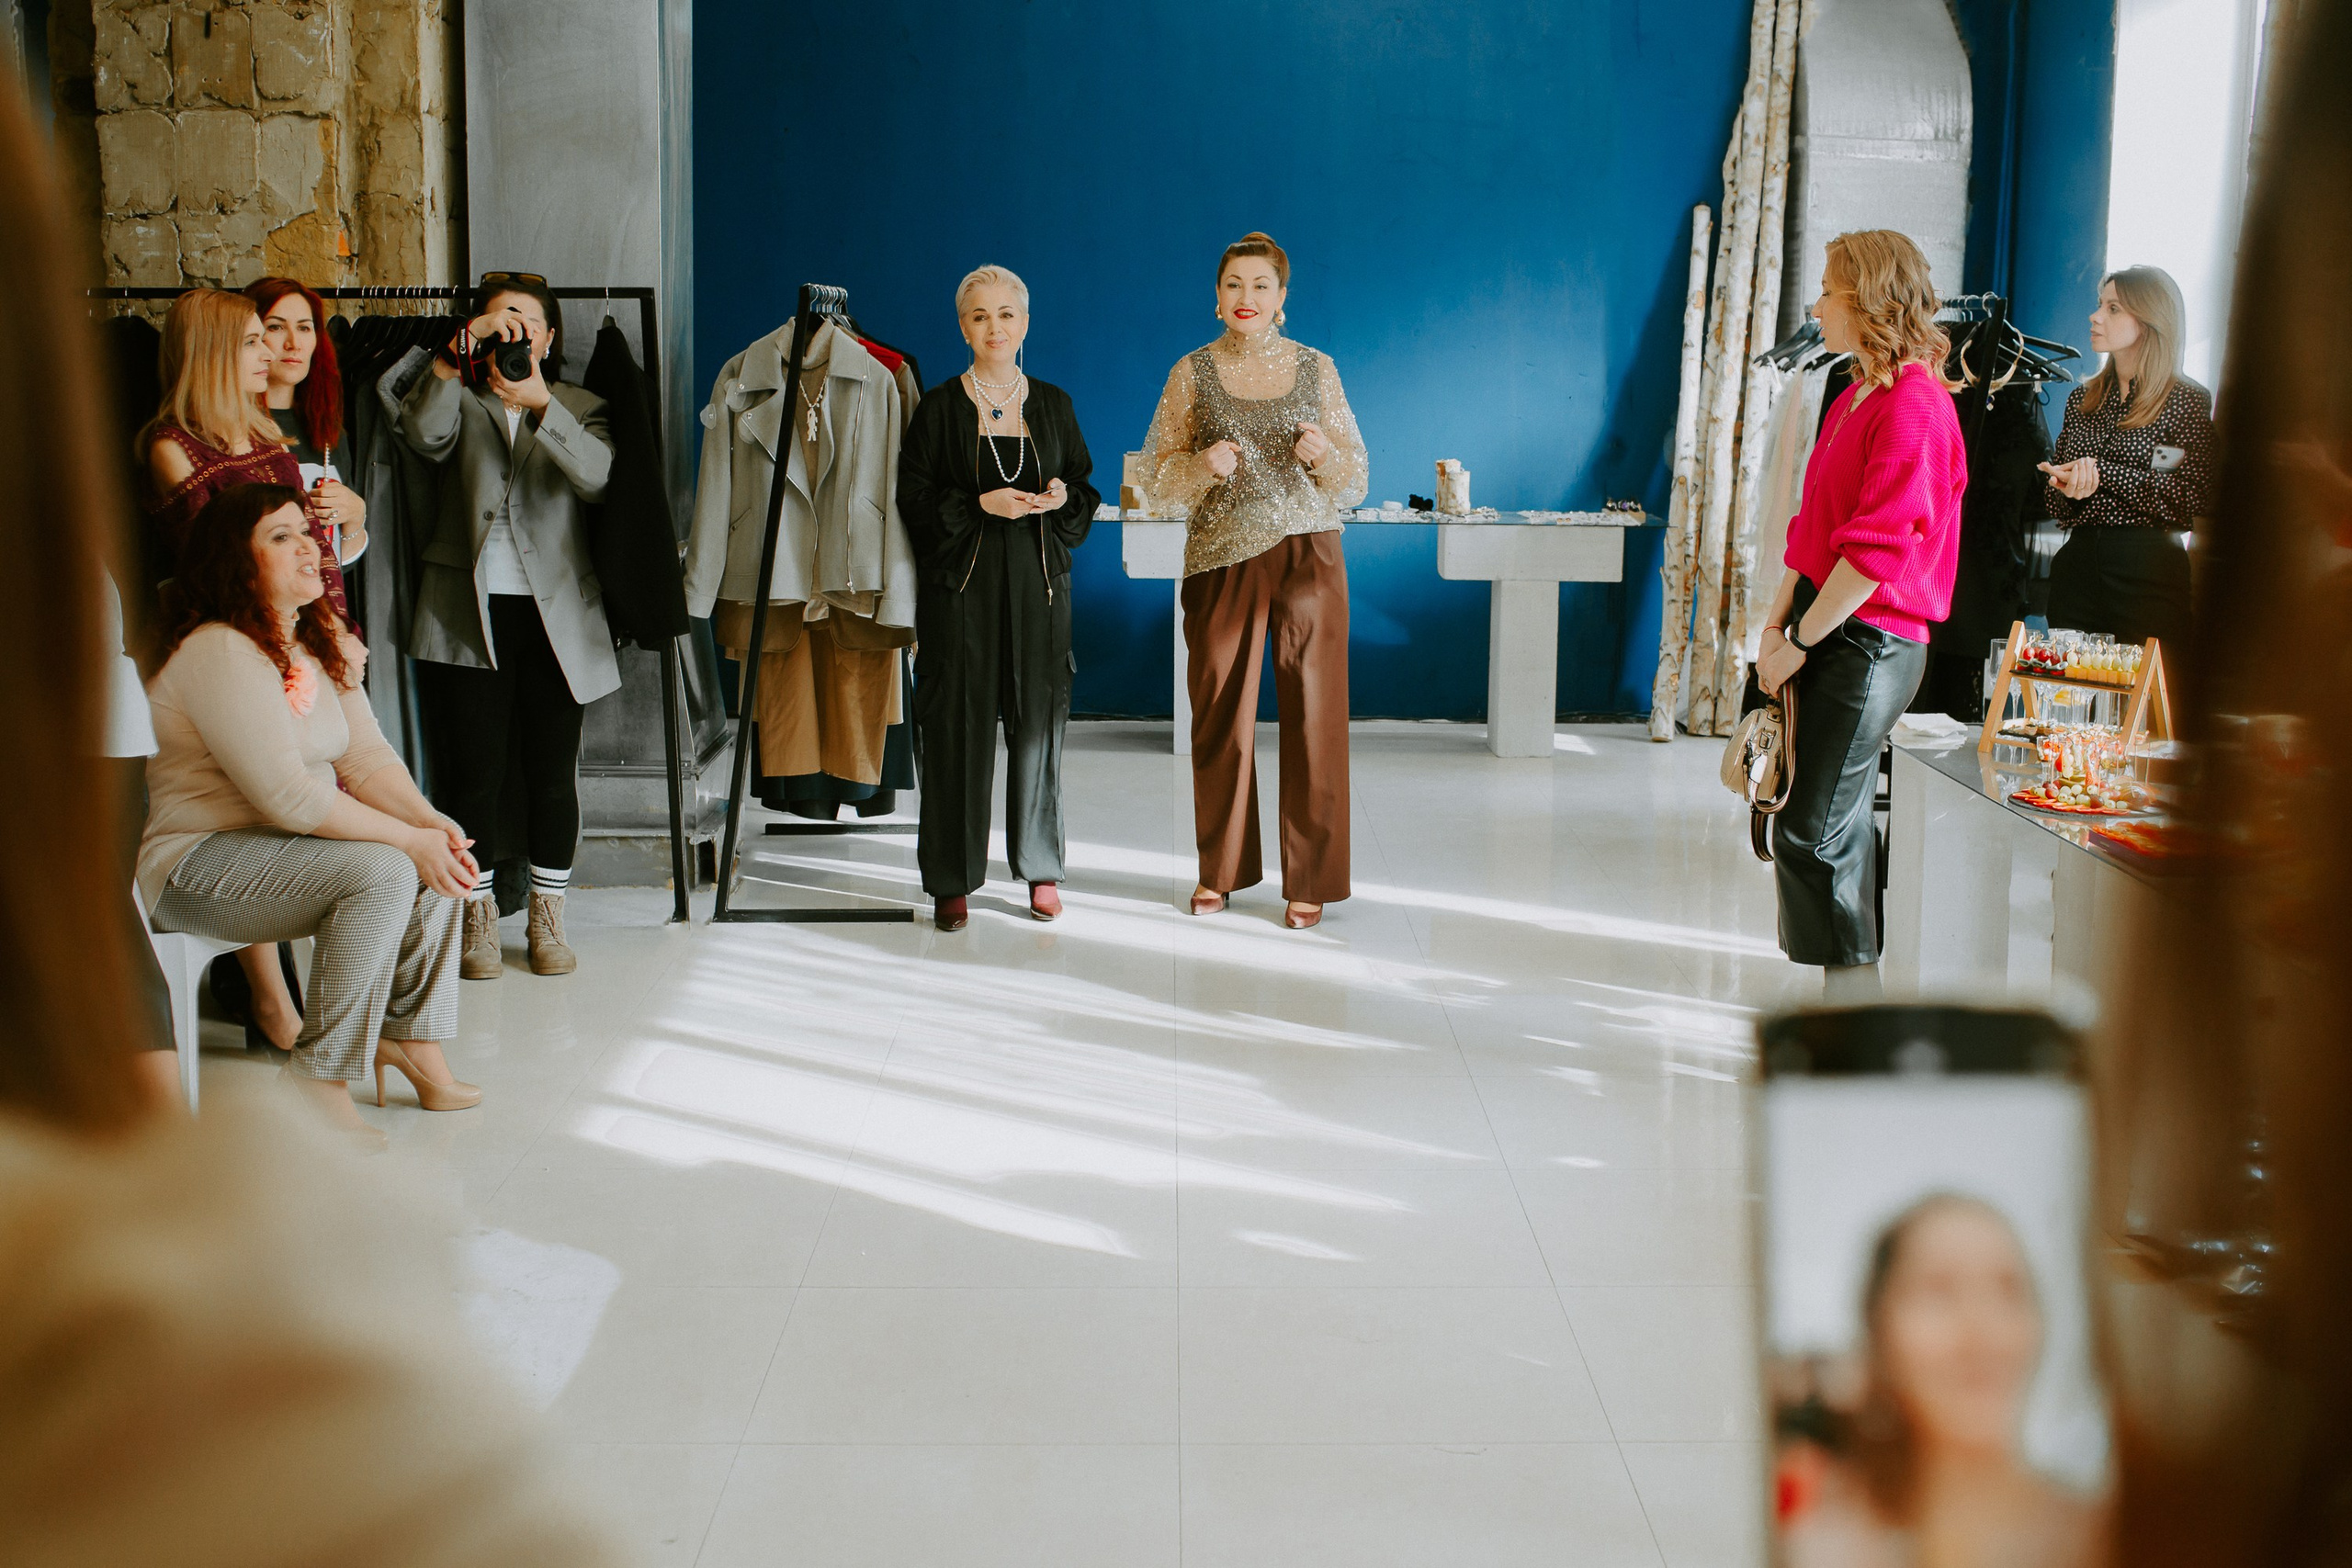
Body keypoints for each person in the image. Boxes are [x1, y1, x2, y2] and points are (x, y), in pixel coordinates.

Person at [141, 483, 481, 1146]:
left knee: (439, 852)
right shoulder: (220, 648)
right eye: (280, 535)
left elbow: (365, 756)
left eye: (307, 530)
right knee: (390, 865)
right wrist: (407, 840)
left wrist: (429, 821)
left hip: (277, 853)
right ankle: (315, 1079)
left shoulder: (312, 638)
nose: (307, 544)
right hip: (194, 865)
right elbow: (288, 797)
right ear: (236, 563)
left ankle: (414, 1043)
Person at [1755, 230, 1966, 1003]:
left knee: (1810, 829)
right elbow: (1811, 533)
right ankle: (1851, 1008)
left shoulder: (1917, 403)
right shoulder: (1858, 394)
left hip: (1870, 638)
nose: (1815, 306)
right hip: (1827, 622)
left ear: (1865, 299)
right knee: (1821, 824)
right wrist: (1775, 630)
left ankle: (1857, 1015)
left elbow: (1876, 554)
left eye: (1826, 291)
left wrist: (1800, 642)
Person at [1140, 231, 1368, 930]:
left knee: (1316, 717)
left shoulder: (1317, 367)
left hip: (1309, 554)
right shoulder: (1191, 373)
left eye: (1260, 285)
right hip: (1220, 559)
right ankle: (1222, 869)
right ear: (1217, 299)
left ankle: (1312, 879)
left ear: (1282, 300)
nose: (1247, 298)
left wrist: (1324, 454)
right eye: (1234, 285)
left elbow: (1355, 479)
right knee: (1219, 720)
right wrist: (1200, 466)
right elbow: (1152, 482)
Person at [400, 274, 617, 981]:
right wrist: (449, 360)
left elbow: (597, 477)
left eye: (527, 322)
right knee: (475, 774)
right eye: (500, 321)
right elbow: (421, 437)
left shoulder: (582, 405)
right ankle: (478, 917)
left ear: (550, 338)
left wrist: (542, 404)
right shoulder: (458, 397)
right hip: (467, 611)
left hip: (558, 619)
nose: (515, 332)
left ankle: (550, 919)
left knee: (553, 774)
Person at [898, 265, 1098, 931]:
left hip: (1040, 592)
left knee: (1040, 731)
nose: (995, 327)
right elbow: (914, 502)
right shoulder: (937, 407)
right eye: (980, 315)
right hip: (960, 595)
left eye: (1007, 313)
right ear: (963, 326)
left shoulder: (1054, 405)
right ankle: (952, 879)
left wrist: (1066, 497)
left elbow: (1084, 487)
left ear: (1025, 323)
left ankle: (1041, 868)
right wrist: (980, 504)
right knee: (956, 729)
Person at [1778, 1196, 2104, 1568]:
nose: (1983, 1330)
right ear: (1877, 1331)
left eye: (2009, 1288)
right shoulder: (1822, 1540)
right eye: (1939, 1290)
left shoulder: (2103, 1536)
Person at [141, 288, 358, 623]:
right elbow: (221, 573)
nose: (268, 355)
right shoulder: (173, 448)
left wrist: (336, 630)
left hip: (301, 630)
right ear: (212, 353)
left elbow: (315, 544)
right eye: (251, 342)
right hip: (242, 635)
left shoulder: (266, 433)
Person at [2036, 266, 2216, 656]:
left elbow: (2191, 497)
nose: (2095, 316)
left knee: (2145, 705)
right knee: (2071, 700)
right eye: (2101, 304)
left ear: (2150, 321)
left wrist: (2103, 474)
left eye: (2113, 308)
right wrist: (2066, 485)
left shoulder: (2185, 400)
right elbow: (2054, 507)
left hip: (2148, 572)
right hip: (2077, 568)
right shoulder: (2082, 400)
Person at [247, 276, 370, 563]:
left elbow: (339, 566)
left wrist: (355, 517)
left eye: (304, 327)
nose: (294, 343)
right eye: (275, 327)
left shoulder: (327, 429)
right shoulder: (229, 427)